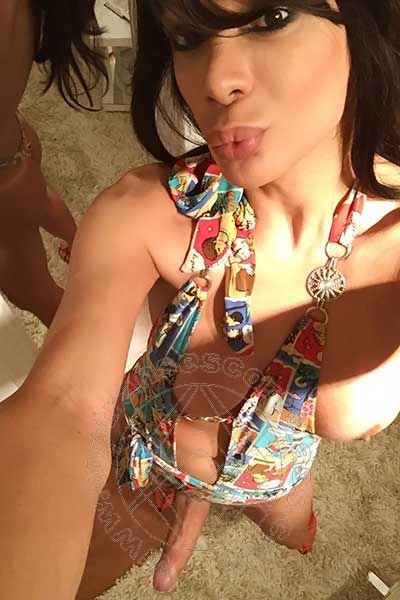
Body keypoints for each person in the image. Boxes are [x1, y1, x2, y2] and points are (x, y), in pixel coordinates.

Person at [1, 0, 400, 598]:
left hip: (275, 472)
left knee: (291, 529)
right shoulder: (146, 214)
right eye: (188, 38)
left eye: (272, 17)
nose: (215, 79)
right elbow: (63, 406)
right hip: (150, 452)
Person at [0, 0, 107, 326]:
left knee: (36, 296)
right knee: (40, 196)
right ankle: (84, 248)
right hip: (16, 145)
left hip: (5, 183)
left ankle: (97, 340)